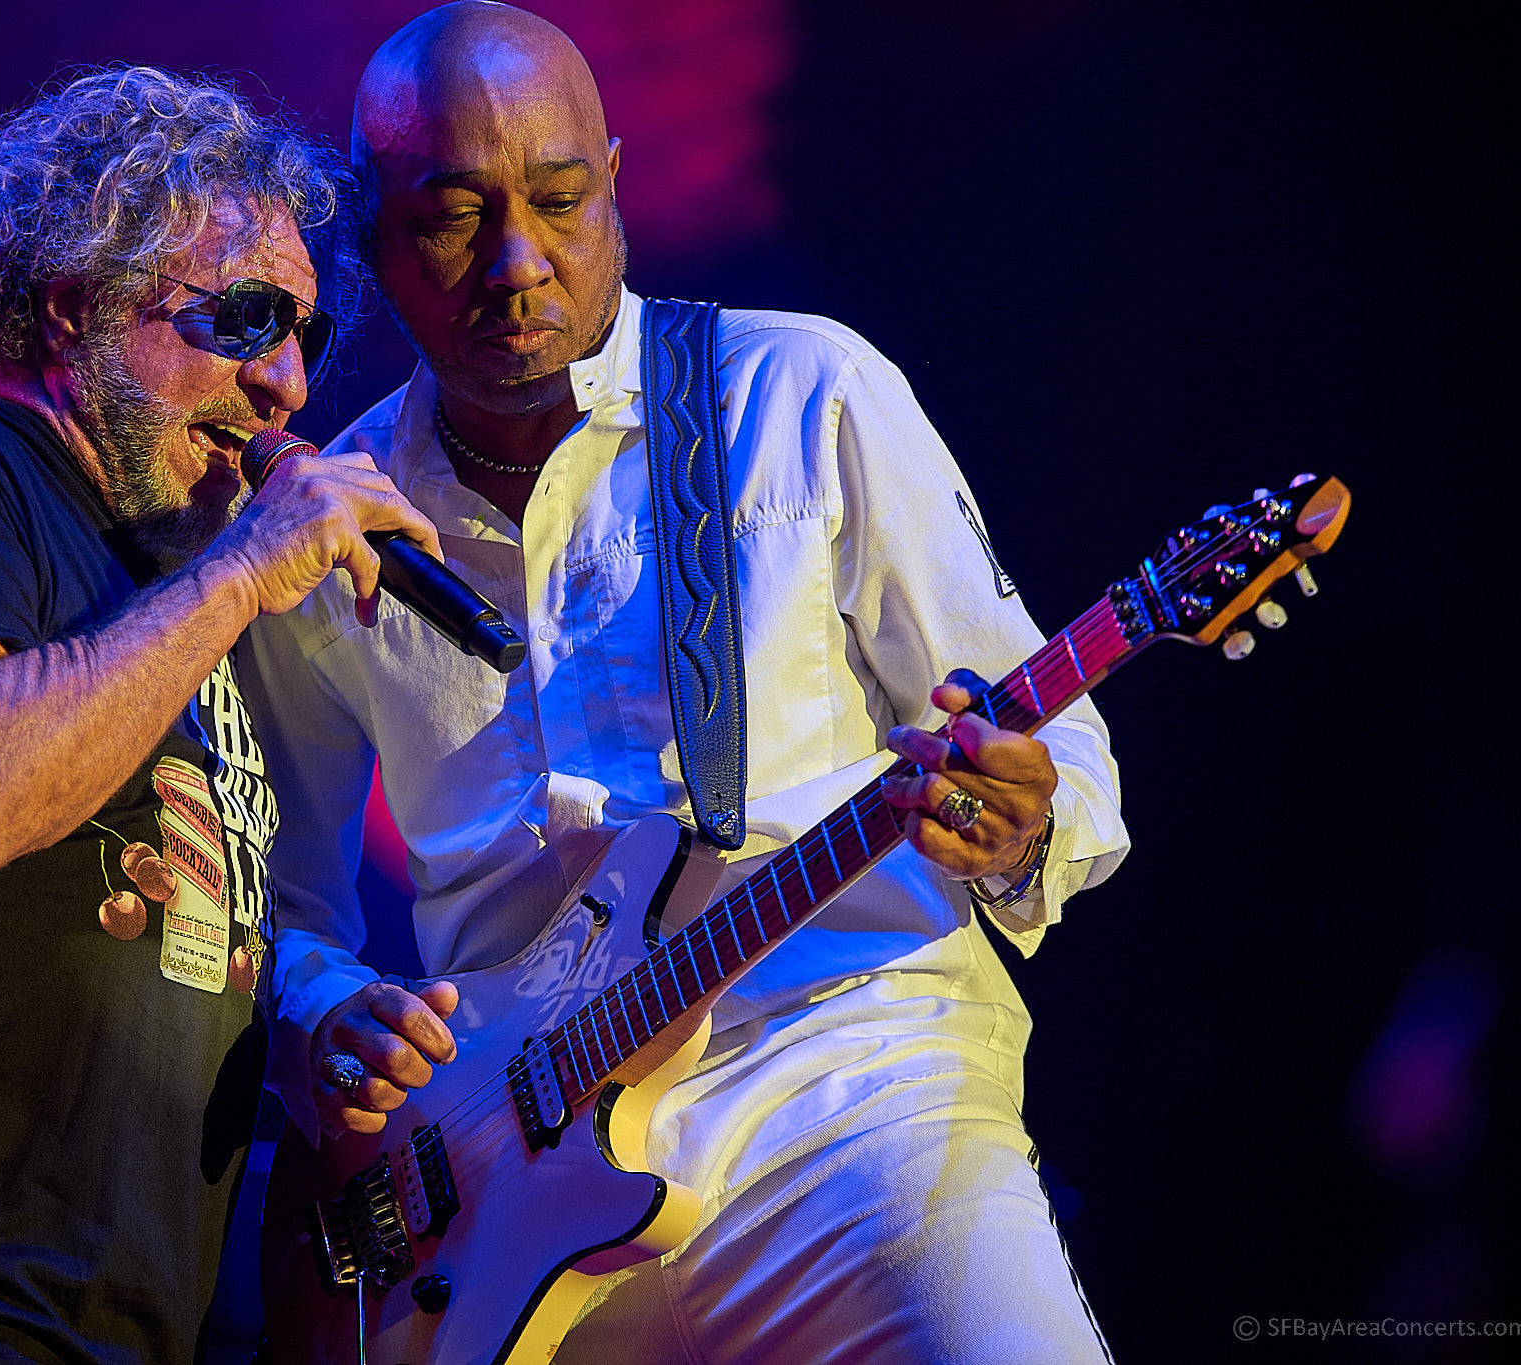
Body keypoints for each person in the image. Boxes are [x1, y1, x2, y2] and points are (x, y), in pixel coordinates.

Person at [243, 5, 1132, 1362]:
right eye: (454, 217)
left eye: (557, 200)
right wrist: (322, 1014)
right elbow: (285, 906)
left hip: (847, 1080)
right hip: (497, 1177)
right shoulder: (325, 530)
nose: (519, 261)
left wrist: (1017, 818)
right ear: (368, 239)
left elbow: (1063, 758)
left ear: (615, 183)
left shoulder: (803, 392)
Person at [0, 66, 439, 1363]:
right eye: (244, 317)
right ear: (75, 306)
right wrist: (241, 573)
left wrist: (313, 1021)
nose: (286, 381)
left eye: (306, 336)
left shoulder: (175, 601)